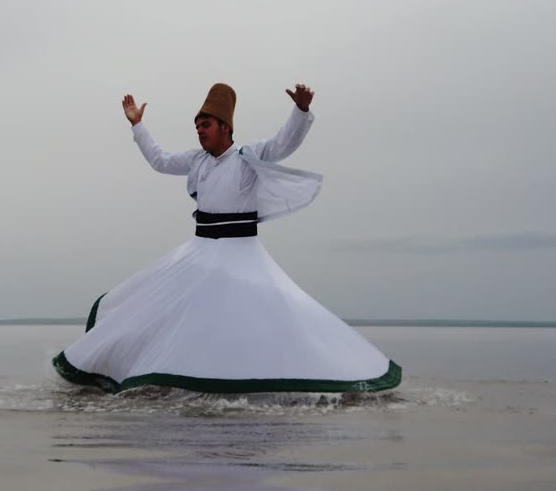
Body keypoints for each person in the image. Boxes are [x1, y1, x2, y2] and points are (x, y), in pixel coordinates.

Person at [52, 83, 401, 394]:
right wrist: (137, 125)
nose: (200, 132)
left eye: (205, 125)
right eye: (197, 127)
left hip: (241, 255)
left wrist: (301, 111)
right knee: (164, 310)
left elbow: (284, 143)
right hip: (200, 253)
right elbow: (160, 160)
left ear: (225, 127)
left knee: (257, 316)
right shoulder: (197, 161)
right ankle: (165, 376)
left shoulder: (247, 157)